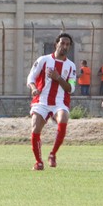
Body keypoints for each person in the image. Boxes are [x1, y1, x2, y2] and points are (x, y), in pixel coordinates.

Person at [27, 32, 77, 170]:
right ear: (56, 44)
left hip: (59, 102)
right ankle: (38, 162)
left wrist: (58, 78)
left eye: (67, 44)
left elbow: (71, 88)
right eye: (62, 43)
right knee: (35, 128)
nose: (65, 46)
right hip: (41, 101)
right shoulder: (43, 60)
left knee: (63, 118)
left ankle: (53, 154)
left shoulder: (71, 66)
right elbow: (31, 78)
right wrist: (33, 88)